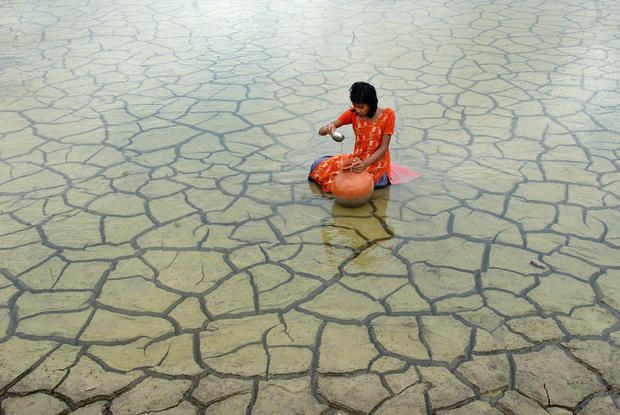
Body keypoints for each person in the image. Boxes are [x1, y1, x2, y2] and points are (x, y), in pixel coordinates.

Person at [309, 81, 394, 193]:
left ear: (371, 103)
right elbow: (321, 131)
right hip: (356, 160)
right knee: (317, 164)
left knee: (355, 188)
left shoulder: (388, 115)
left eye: (361, 107)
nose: (358, 110)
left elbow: (384, 147)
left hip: (376, 164)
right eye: (355, 106)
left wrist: (364, 164)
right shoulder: (353, 113)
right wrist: (328, 128)